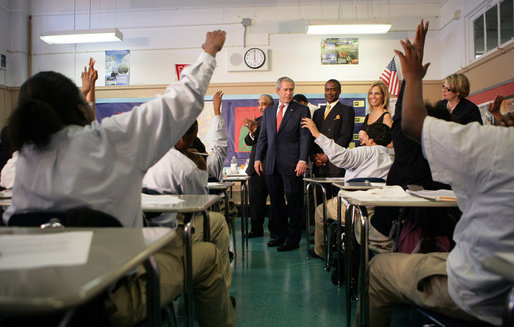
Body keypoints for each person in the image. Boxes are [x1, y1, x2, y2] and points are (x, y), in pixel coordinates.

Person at [3, 30, 235, 327]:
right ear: (82, 110)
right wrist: (209, 51)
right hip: (107, 299)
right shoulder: (110, 142)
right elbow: (179, 103)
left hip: (31, 301)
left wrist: (88, 92)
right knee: (207, 257)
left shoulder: (19, 162)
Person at [355, 19, 513, 327]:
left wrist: (411, 77)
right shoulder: (483, 137)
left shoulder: (494, 145)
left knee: (377, 270)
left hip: (484, 292)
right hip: (474, 260)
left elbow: (409, 124)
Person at [142, 118, 231, 291]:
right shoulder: (185, 168)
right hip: (171, 233)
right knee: (217, 222)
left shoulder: (144, 157)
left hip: (143, 231)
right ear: (183, 137)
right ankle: (220, 289)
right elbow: (200, 203)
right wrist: (202, 169)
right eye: (192, 138)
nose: (192, 143)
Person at [301, 119, 393, 259]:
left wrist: (317, 134)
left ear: (371, 140)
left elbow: (341, 156)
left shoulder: (366, 152)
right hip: (378, 210)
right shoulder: (391, 158)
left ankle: (319, 251)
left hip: (353, 209)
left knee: (320, 211)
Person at [254, 76, 311, 252]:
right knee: (276, 202)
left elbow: (305, 137)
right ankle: (279, 236)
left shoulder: (301, 110)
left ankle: (292, 239)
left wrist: (303, 159)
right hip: (272, 163)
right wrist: (257, 158)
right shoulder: (269, 112)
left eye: (291, 89)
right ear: (277, 90)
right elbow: (263, 137)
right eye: (285, 89)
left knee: (294, 202)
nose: (289, 93)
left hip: (293, 163)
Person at [311, 79, 355, 189]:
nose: (329, 93)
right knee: (319, 199)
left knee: (335, 200)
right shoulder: (318, 112)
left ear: (339, 91)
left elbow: (345, 137)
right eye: (327, 90)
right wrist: (315, 157)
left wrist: (328, 156)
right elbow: (313, 137)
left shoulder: (346, 110)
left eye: (333, 90)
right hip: (319, 164)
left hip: (335, 164)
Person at [243, 94, 273, 238]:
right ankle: (256, 230)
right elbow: (248, 141)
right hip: (255, 170)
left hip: (272, 167)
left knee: (275, 200)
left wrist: (256, 129)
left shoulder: (276, 121)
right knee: (255, 201)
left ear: (271, 106)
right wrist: (251, 131)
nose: (260, 107)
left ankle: (275, 231)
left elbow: (268, 139)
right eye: (259, 104)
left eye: (264, 104)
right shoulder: (257, 121)